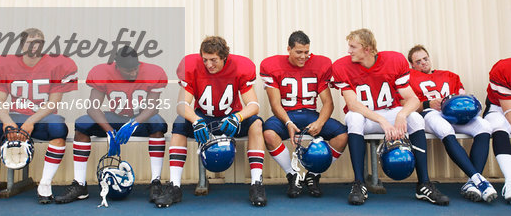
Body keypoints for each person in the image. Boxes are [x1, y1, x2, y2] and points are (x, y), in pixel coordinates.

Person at [331, 28, 449, 206]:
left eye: (353, 47)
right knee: (353, 118)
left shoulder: (393, 60)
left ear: (367, 49)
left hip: (390, 111)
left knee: (416, 119)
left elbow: (413, 99)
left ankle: (424, 184)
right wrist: (382, 121)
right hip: (366, 117)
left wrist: (402, 114)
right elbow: (353, 104)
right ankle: (359, 183)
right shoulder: (342, 66)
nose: (349, 51)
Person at [0, 28, 77, 205]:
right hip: (14, 117)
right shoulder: (4, 64)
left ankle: (45, 184)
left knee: (59, 129)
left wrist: (30, 121)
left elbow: (53, 102)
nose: (35, 46)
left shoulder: (56, 65)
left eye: (39, 42)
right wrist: (7, 122)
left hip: (40, 118)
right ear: (22, 45)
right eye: (30, 42)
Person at [154, 36, 266, 208]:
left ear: (224, 57)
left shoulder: (240, 67)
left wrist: (238, 117)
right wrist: (196, 120)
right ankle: (175, 186)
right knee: (179, 124)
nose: (209, 65)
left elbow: (254, 105)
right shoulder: (192, 66)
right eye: (205, 60)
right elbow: (182, 104)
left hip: (231, 118)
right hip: (203, 117)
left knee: (256, 123)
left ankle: (256, 183)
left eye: (214, 60)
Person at [55, 46, 168, 204]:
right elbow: (93, 107)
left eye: (135, 69)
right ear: (117, 66)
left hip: (140, 118)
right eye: (128, 71)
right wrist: (109, 132)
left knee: (158, 124)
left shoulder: (153, 72)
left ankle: (156, 182)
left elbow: (153, 107)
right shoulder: (103, 73)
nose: (133, 73)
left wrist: (134, 123)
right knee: (82, 125)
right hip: (116, 116)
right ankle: (80, 184)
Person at [260, 31, 347, 198]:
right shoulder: (273, 66)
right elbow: (275, 104)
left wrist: (320, 122)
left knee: (342, 136)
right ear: (289, 49)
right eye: (299, 52)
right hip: (287, 115)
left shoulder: (320, 64)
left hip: (310, 115)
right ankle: (293, 175)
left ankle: (313, 175)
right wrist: (287, 122)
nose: (303, 56)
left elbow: (328, 103)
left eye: (306, 52)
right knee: (269, 134)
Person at [407, 45, 496, 202]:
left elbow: (463, 98)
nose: (423, 63)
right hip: (430, 114)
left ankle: (472, 183)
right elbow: (406, 104)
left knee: (484, 127)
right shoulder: (409, 78)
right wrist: (428, 104)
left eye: (425, 59)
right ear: (412, 65)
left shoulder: (449, 76)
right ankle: (479, 180)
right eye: (418, 61)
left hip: (456, 114)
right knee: (445, 129)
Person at [484, 58, 511, 203]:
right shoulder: (504, 68)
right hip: (498, 109)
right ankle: (510, 181)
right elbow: (509, 113)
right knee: (499, 126)